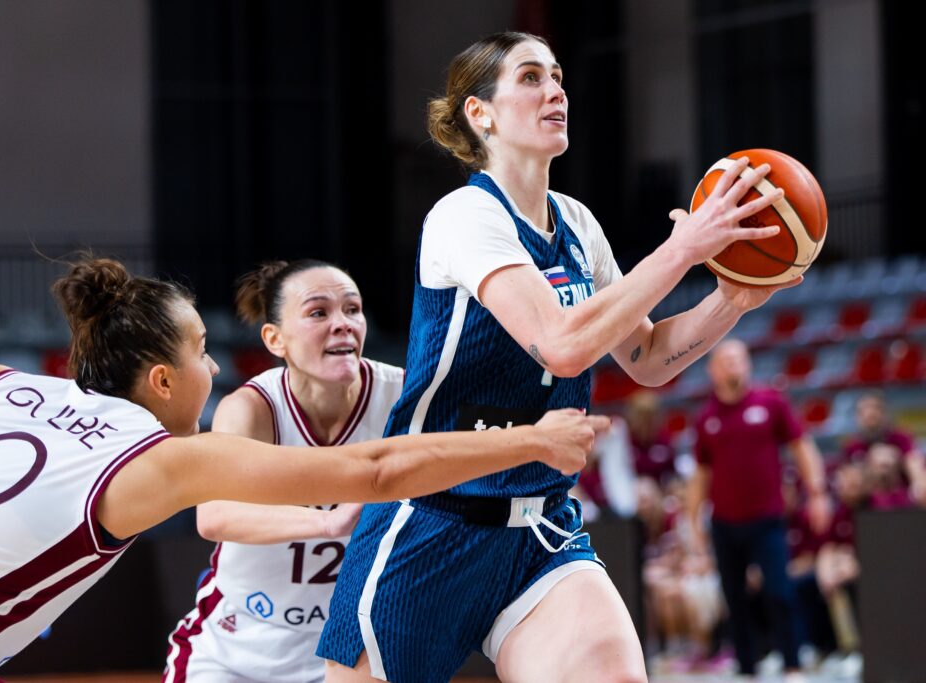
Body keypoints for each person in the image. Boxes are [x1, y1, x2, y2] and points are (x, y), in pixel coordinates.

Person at [318, 31, 797, 683]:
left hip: (540, 531)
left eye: (559, 77)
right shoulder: (464, 216)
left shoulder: (577, 223)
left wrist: (730, 301)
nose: (555, 91)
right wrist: (682, 250)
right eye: (531, 77)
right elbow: (564, 345)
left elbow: (647, 356)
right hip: (433, 520)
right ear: (480, 113)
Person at [0, 257, 605, 681]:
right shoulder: (162, 458)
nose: (212, 367)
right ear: (162, 380)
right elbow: (379, 471)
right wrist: (532, 440)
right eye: (201, 351)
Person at [164, 260, 405, 683]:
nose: (343, 323)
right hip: (238, 642)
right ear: (275, 339)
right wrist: (329, 522)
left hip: (351, 644)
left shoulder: (401, 395)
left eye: (352, 309)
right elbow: (214, 516)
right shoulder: (252, 407)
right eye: (318, 312)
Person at [685, 339, 830, 680]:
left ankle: (793, 665)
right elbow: (700, 475)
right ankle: (747, 669)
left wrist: (817, 493)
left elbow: (801, 447)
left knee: (779, 591)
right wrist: (692, 520)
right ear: (713, 370)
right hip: (724, 523)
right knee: (734, 599)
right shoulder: (706, 418)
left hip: (767, 519)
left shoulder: (771, 403)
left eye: (739, 359)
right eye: (726, 360)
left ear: (748, 364)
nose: (734, 365)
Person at [840, 390, 926, 505]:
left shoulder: (901, 438)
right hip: (865, 505)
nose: (870, 413)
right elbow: (847, 488)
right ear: (857, 416)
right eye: (864, 410)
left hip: (902, 503)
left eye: (875, 409)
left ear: (885, 413)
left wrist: (919, 486)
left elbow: (915, 467)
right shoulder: (851, 447)